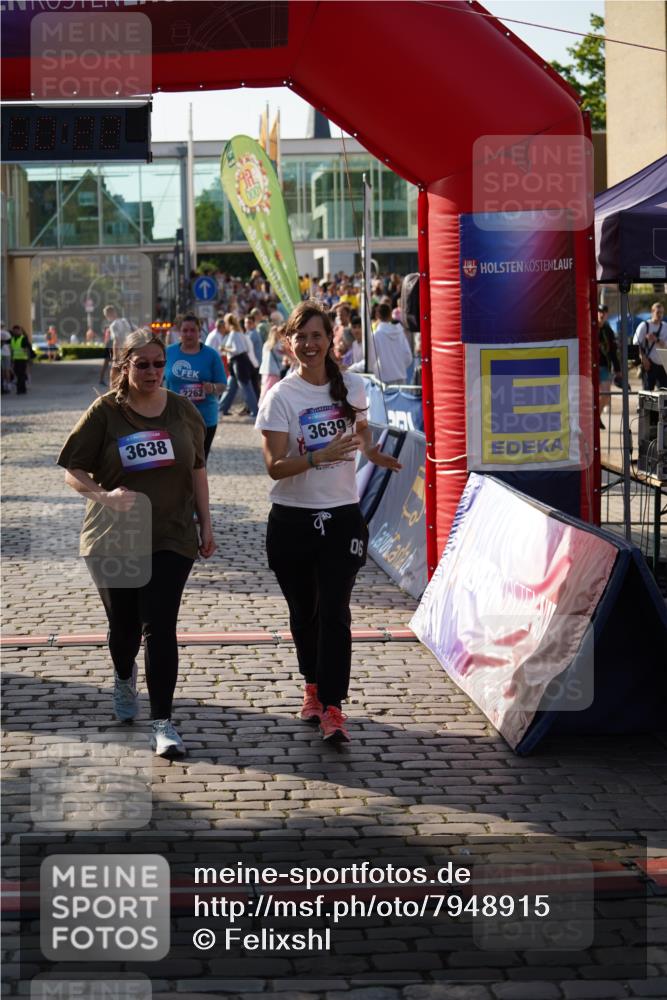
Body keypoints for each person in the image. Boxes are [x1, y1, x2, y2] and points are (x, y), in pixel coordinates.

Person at [57, 328, 216, 758]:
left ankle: (163, 722)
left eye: (158, 364)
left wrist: (207, 523)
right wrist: (103, 496)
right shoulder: (105, 412)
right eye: (141, 364)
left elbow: (197, 469)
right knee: (125, 630)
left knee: (159, 626)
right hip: (114, 537)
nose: (151, 371)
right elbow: (73, 469)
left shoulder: (184, 412)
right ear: (124, 367)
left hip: (171, 534)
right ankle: (124, 674)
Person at [256, 300, 402, 743]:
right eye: (301, 337)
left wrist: (372, 452)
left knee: (335, 611)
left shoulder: (353, 386)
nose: (309, 344)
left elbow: (361, 432)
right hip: (292, 520)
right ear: (289, 343)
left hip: (340, 516)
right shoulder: (280, 396)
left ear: (329, 340)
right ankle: (312, 686)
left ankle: (334, 707)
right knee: (305, 612)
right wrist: (316, 457)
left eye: (316, 335)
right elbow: (275, 466)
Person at [164, 314, 226, 461]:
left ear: (199, 332)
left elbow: (222, 385)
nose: (189, 334)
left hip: (204, 418)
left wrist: (211, 387)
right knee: (177, 460)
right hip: (175, 416)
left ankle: (198, 484)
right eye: (185, 330)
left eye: (193, 330)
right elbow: (157, 378)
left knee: (199, 461)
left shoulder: (211, 355)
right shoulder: (169, 352)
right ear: (179, 332)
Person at [218, 313, 259, 417]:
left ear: (227, 323)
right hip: (238, 363)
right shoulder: (239, 333)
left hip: (239, 363)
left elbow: (237, 350)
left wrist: (225, 349)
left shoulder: (234, 334)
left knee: (246, 388)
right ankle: (221, 409)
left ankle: (255, 412)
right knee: (230, 388)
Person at [633, 302, 667, 390]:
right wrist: (643, 359)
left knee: (664, 393)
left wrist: (656, 339)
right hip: (649, 363)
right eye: (658, 312)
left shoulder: (665, 327)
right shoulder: (644, 326)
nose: (660, 315)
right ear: (652, 312)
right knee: (648, 393)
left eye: (661, 312)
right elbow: (636, 344)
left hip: (663, 364)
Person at [597, 304, 621, 428]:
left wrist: (617, 369)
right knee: (589, 397)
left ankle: (596, 417)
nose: (602, 314)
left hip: (603, 366)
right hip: (589, 368)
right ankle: (591, 419)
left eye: (604, 312)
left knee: (606, 396)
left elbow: (612, 350)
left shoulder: (607, 329)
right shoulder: (589, 326)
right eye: (600, 311)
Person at [103, 305, 132, 387]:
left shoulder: (113, 325)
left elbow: (116, 341)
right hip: (130, 352)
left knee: (114, 376)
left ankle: (113, 395)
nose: (107, 318)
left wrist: (115, 358)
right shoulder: (125, 321)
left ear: (109, 314)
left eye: (106, 316)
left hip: (121, 353)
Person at [259, 324, 286, 400]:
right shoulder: (278, 345)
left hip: (265, 371)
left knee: (265, 391)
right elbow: (281, 358)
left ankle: (262, 406)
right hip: (274, 371)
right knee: (272, 392)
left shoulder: (266, 344)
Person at [9, 325, 31, 394]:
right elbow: (12, 350)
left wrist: (28, 358)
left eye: (17, 331)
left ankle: (20, 389)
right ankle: (23, 389)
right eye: (14, 331)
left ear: (19, 331)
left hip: (22, 359)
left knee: (21, 374)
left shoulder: (23, 338)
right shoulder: (12, 339)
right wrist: (11, 359)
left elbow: (27, 348)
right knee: (18, 374)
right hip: (16, 359)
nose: (15, 332)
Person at [1, 327, 12, 393]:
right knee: (7, 370)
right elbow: (11, 343)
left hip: (1, 354)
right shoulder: (7, 333)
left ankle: (4, 383)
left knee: (2, 370)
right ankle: (8, 384)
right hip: (7, 353)